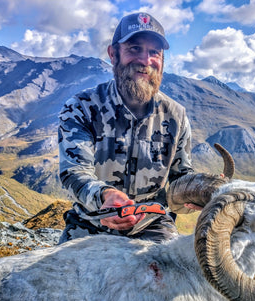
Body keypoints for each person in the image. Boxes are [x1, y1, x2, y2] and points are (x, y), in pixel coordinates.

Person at [58, 12, 198, 244]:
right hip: (91, 222)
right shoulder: (81, 108)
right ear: (113, 54)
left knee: (179, 276)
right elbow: (74, 173)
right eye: (134, 48)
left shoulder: (177, 116)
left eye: (154, 52)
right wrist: (105, 196)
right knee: (62, 278)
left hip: (153, 226)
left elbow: (181, 175)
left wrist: (200, 188)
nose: (145, 60)